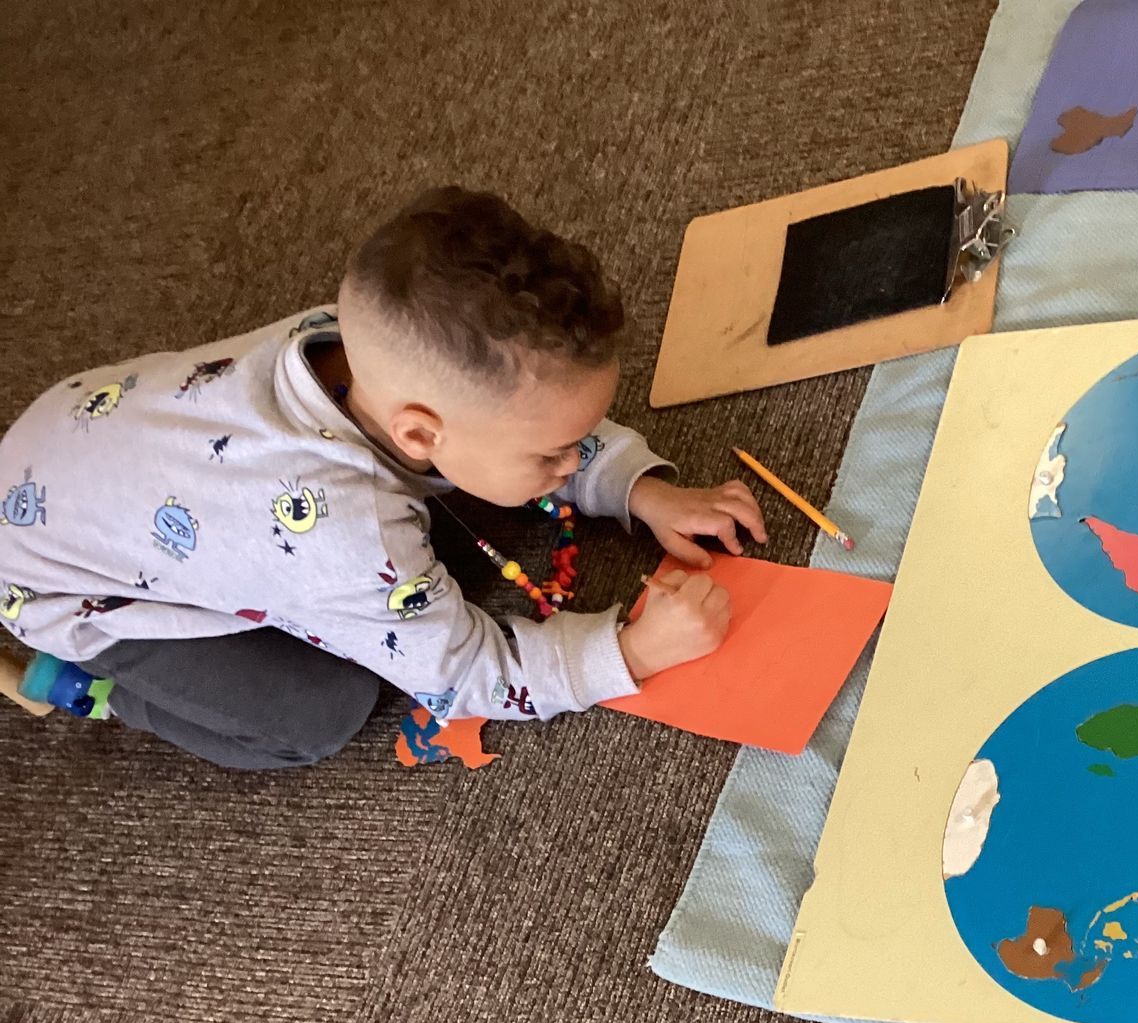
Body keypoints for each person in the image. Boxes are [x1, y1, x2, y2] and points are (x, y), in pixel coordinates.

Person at [0, 185, 765, 768]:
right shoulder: (349, 534)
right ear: (418, 433)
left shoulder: (352, 349)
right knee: (321, 711)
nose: (572, 462)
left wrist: (640, 488)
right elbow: (462, 676)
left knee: (468, 512)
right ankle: (97, 689)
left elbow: (527, 417)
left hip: (74, 441)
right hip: (61, 585)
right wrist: (630, 654)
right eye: (554, 455)